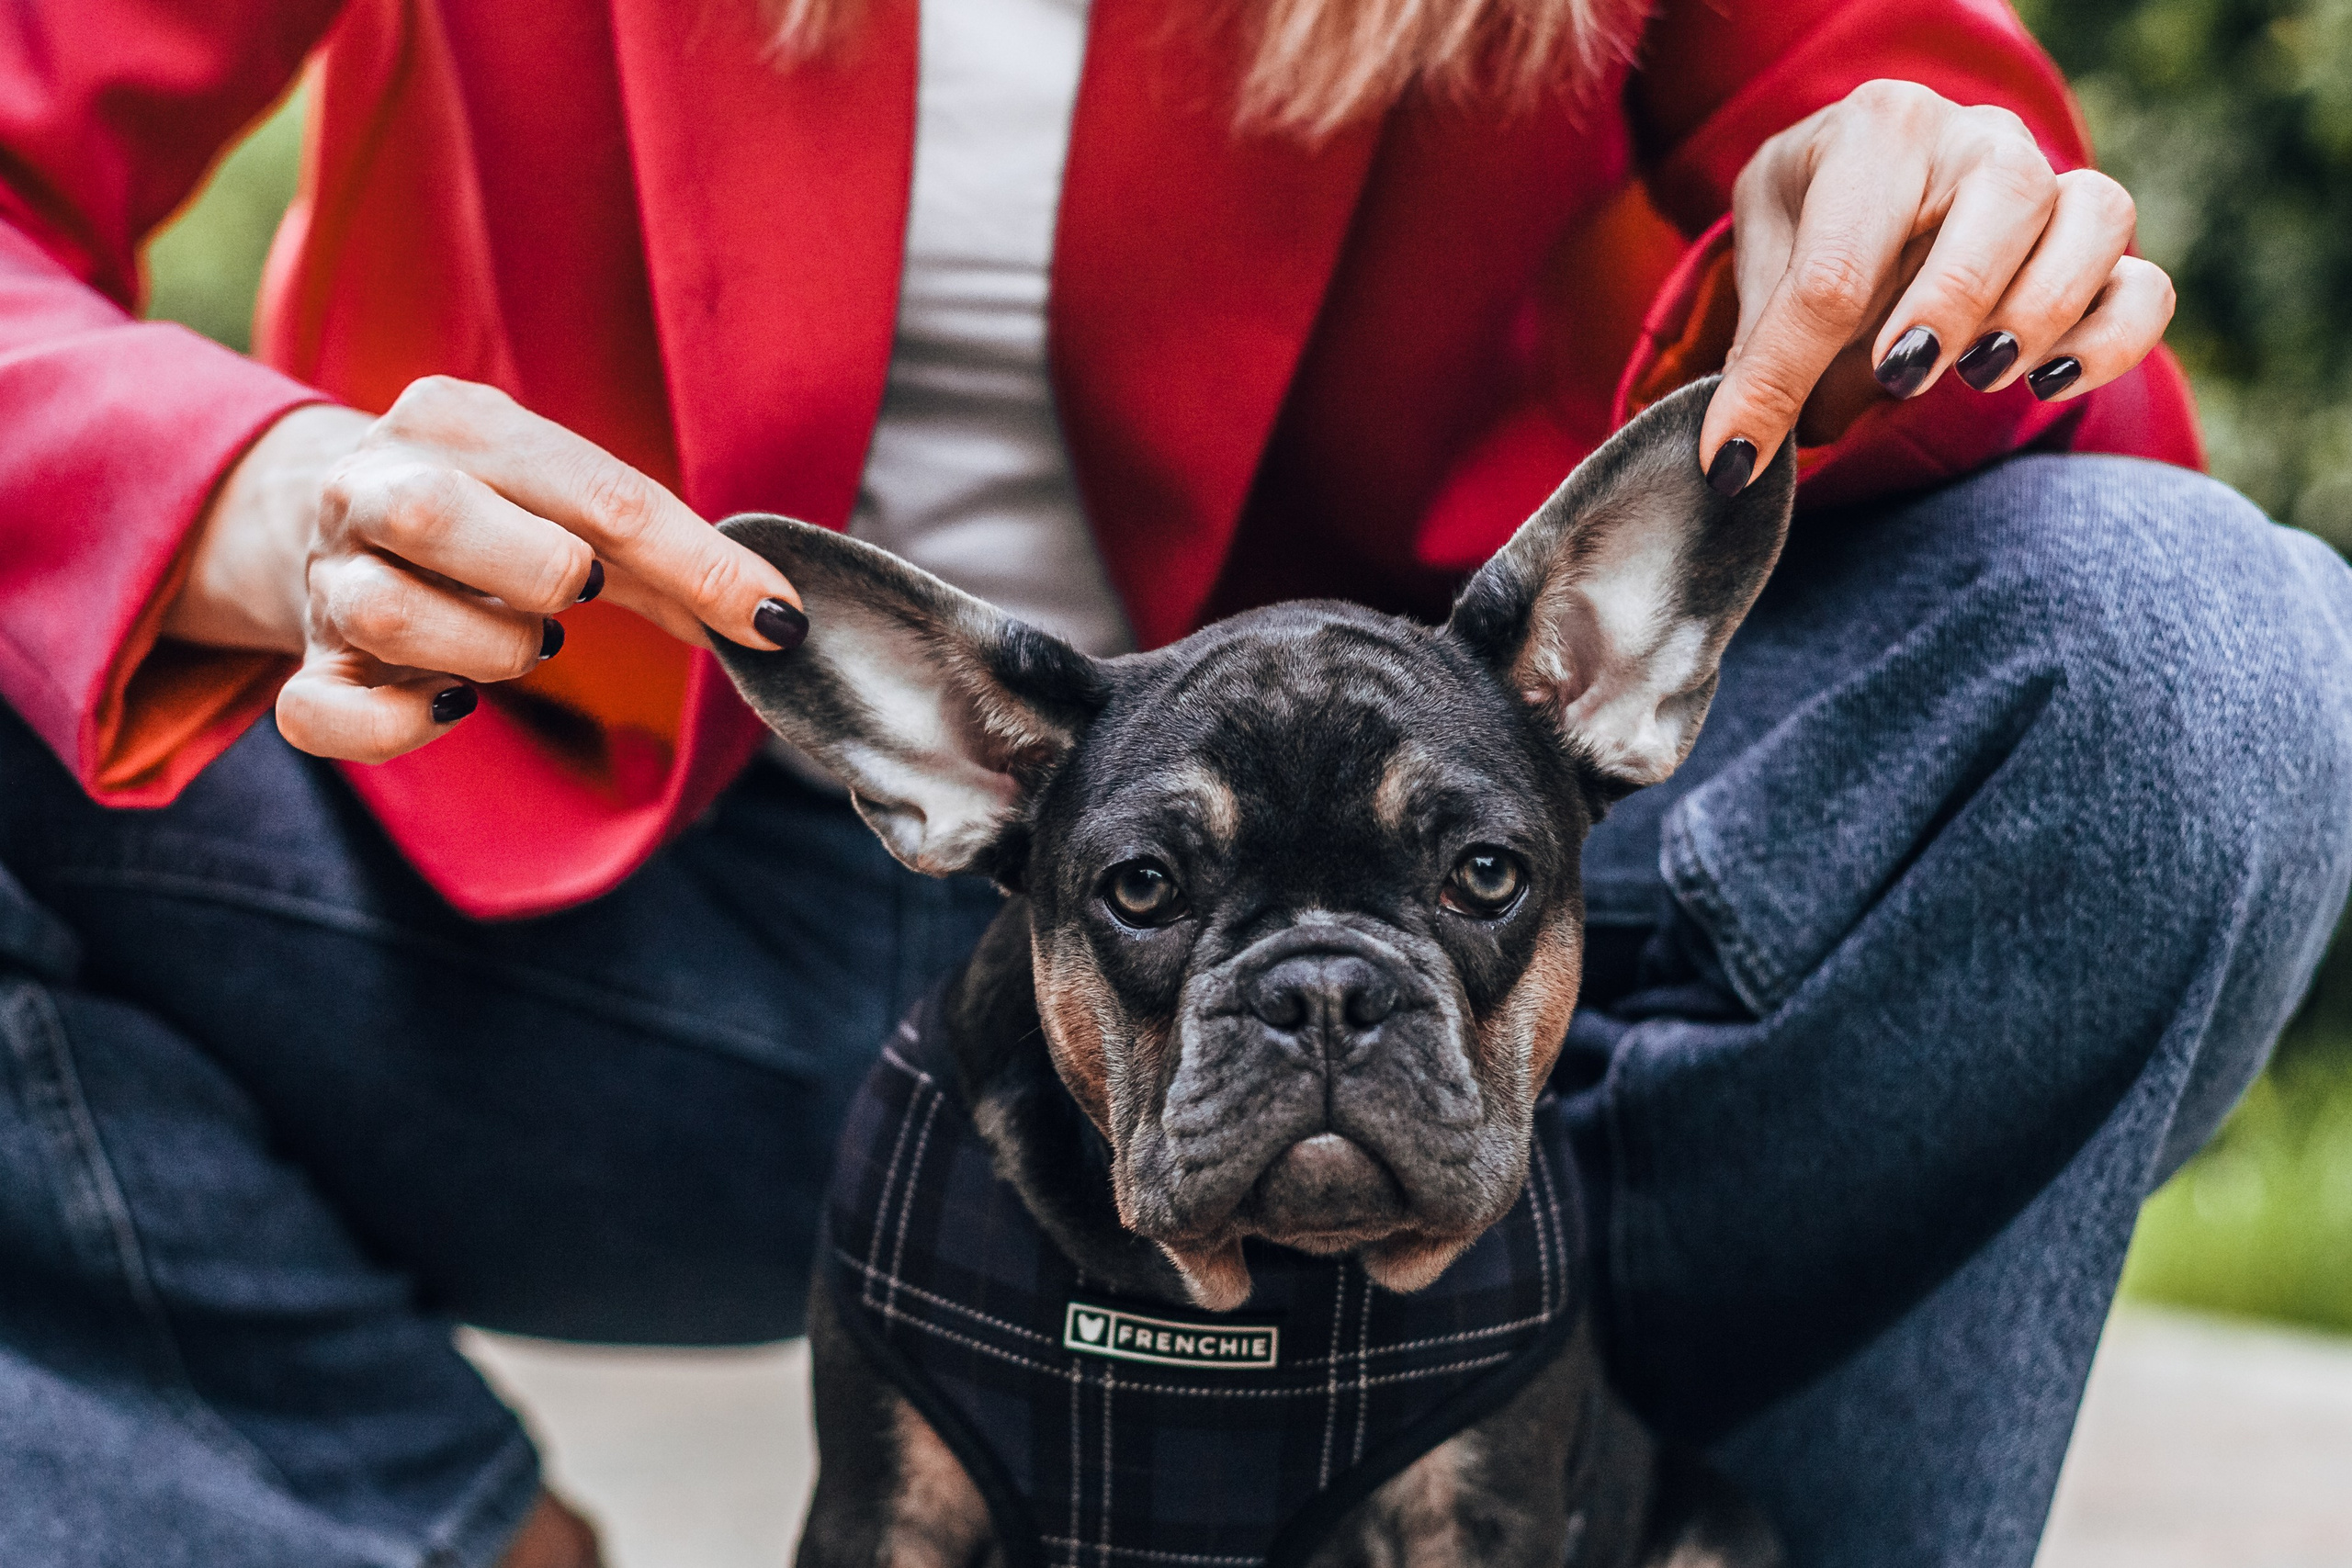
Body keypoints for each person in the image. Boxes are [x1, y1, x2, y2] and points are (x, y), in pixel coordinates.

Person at [1, 0, 2346, 1563]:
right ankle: (382, 1521)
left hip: (1501, 988)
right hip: (602, 939)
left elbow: (2078, 487)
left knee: (2193, 653)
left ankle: (1669, 1513)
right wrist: (244, 496)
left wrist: (1873, 266)